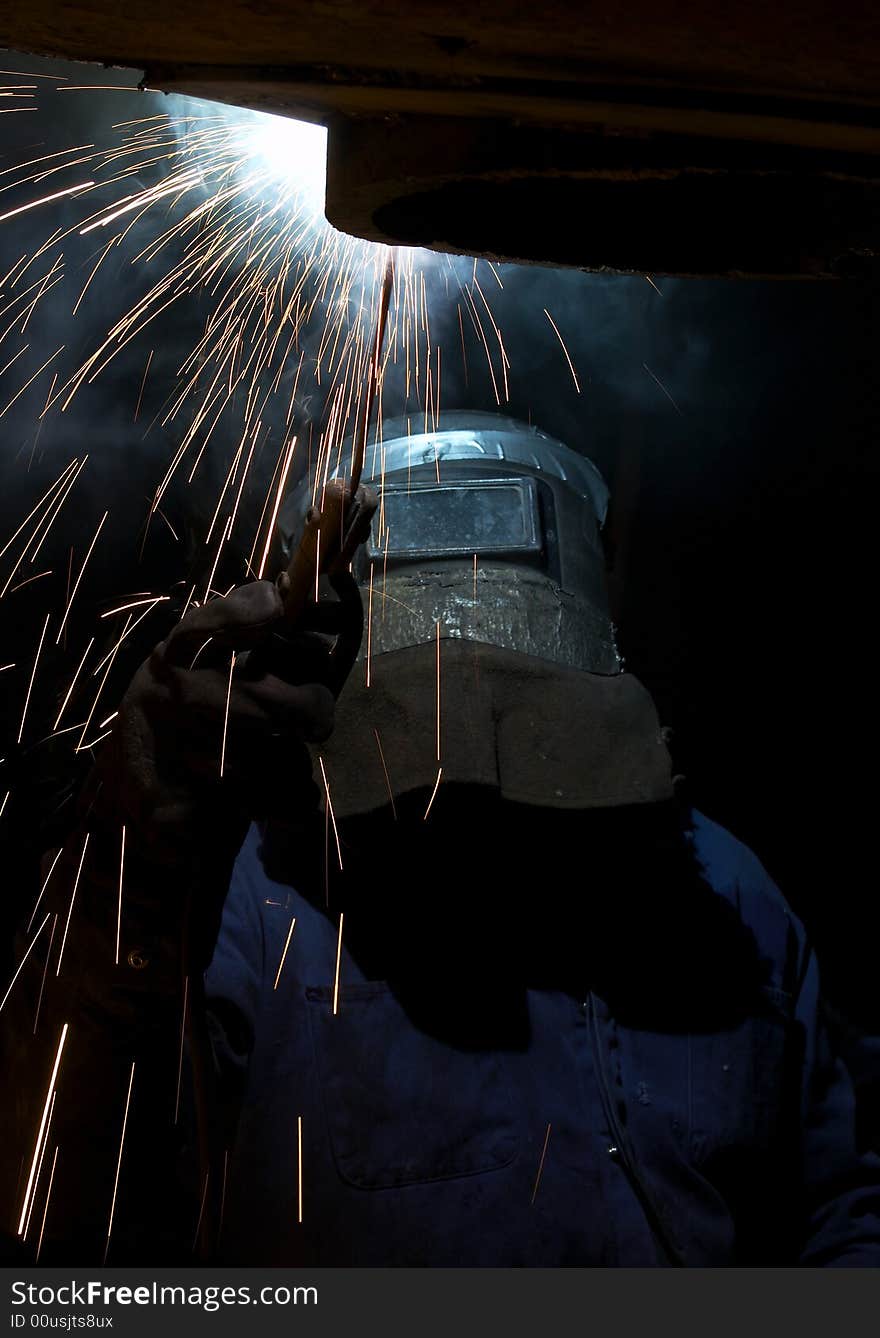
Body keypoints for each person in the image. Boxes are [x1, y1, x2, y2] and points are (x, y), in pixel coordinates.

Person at [2, 412, 879, 1266]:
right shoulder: (258, 894)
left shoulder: (723, 891)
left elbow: (840, 1201)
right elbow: (65, 1204)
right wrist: (129, 871)